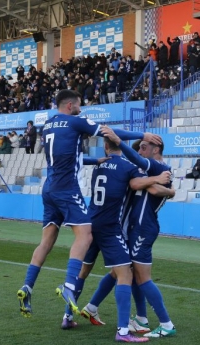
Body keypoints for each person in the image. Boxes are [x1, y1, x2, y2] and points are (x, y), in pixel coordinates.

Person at [16, 89, 162, 319]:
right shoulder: (76, 121)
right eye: (78, 105)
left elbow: (70, 156)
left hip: (49, 188)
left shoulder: (48, 125)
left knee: (46, 241)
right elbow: (109, 133)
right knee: (85, 236)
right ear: (69, 106)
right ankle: (69, 286)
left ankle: (27, 286)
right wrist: (142, 134)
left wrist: (96, 160)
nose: (81, 109)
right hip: (67, 189)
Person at [62, 136, 170, 341]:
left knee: (83, 273)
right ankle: (124, 330)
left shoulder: (99, 166)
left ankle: (69, 315)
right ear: (121, 146)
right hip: (111, 227)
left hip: (90, 223)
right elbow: (137, 184)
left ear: (105, 146)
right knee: (126, 274)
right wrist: (158, 180)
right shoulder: (126, 167)